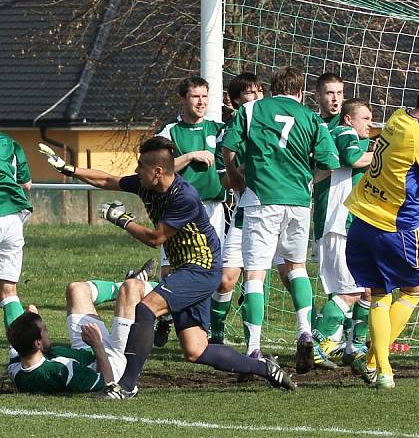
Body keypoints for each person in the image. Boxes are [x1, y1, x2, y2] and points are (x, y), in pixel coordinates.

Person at [38, 136, 295, 397]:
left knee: (146, 308)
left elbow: (155, 239)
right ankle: (264, 368)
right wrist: (68, 169)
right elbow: (108, 180)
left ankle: (126, 386)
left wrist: (123, 220)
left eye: (141, 166)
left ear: (158, 171)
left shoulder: (184, 196)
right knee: (196, 350)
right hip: (187, 269)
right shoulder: (145, 184)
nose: (137, 171)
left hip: (201, 269)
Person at [344, 77, 419, 389]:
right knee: (414, 291)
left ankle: (382, 370)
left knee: (379, 295)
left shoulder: (398, 118)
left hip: (362, 219)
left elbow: (399, 164)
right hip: (397, 228)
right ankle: (374, 360)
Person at [222, 66, 341, 375]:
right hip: (299, 203)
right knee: (297, 267)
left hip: (263, 200)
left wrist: (234, 173)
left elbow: (229, 145)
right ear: (300, 92)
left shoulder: (251, 109)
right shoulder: (311, 118)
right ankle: (304, 332)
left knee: (255, 276)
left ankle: (254, 349)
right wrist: (308, 182)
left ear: (272, 89)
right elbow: (329, 163)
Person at [6, 259, 157, 394]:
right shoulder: (64, 370)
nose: (48, 331)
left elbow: (16, 334)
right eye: (44, 330)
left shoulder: (17, 368)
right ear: (37, 343)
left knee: (76, 289)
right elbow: (108, 384)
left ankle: (145, 286)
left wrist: (28, 318)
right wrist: (97, 344)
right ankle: (168, 293)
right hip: (113, 363)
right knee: (130, 288)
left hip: (85, 349)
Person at [153, 76, 227, 347]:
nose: (201, 102)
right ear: (183, 99)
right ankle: (165, 318)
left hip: (212, 209)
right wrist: (191, 155)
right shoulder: (169, 131)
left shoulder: (218, 129)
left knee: (210, 270)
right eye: (196, 97)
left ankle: (206, 330)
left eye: (205, 97)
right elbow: (159, 168)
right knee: (170, 271)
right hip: (177, 209)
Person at [311, 98, 374, 364]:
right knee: (351, 292)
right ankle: (315, 344)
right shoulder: (343, 132)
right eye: (366, 119)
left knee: (369, 289)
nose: (371, 125)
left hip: (351, 226)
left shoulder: (352, 136)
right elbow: (351, 158)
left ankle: (355, 346)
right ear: (349, 119)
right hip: (339, 226)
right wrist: (388, 154)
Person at [209, 72, 265, 352]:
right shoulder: (227, 134)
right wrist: (246, 169)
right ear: (234, 102)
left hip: (283, 211)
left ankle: (317, 336)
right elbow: (225, 180)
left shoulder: (272, 124)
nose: (256, 98)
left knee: (283, 277)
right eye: (249, 94)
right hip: (246, 210)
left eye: (259, 92)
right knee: (226, 278)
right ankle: (215, 334)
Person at [0, 132, 32, 337]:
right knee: (9, 291)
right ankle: (18, 355)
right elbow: (26, 184)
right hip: (12, 217)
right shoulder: (10, 143)